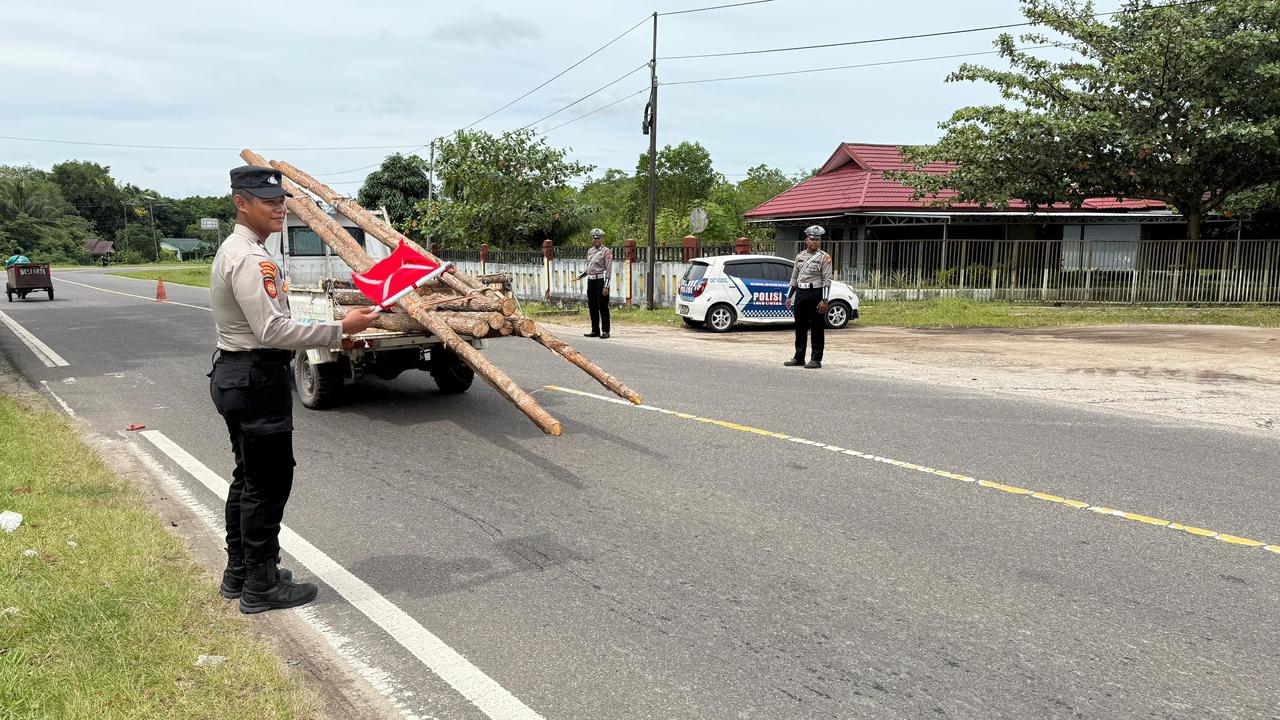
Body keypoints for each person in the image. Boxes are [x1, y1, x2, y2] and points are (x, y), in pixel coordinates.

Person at [209, 165, 377, 614]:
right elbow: (270, 329)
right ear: (240, 203)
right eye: (268, 201)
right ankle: (260, 585)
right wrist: (339, 329)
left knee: (248, 478)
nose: (279, 207)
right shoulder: (250, 257)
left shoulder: (240, 249)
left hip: (238, 375)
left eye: (281, 200)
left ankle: (241, 572)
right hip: (255, 378)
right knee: (267, 483)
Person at [785, 225, 833, 369]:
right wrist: (789, 296)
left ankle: (816, 359)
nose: (814, 242)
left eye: (817, 240)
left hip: (816, 293)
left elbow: (827, 280)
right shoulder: (800, 256)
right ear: (806, 240)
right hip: (801, 293)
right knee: (800, 326)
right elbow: (794, 277)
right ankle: (799, 357)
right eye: (812, 239)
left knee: (817, 327)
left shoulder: (824, 257)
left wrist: (825, 300)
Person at [581, 228, 612, 339]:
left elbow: (608, 269)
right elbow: (589, 267)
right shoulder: (590, 251)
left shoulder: (606, 251)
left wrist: (606, 286)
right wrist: (581, 276)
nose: (597, 240)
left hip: (600, 280)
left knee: (603, 307)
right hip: (591, 281)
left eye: (599, 238)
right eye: (595, 238)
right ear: (593, 239)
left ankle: (605, 331)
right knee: (592, 306)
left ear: (602, 239)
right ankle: (595, 330)